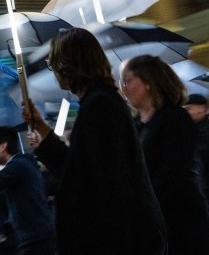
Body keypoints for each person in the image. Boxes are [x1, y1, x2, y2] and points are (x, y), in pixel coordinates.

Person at [23, 28, 167, 255]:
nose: (54, 71)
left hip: (117, 237)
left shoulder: (100, 105)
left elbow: (90, 177)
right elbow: (80, 166)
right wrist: (41, 127)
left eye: (54, 63)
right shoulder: (100, 101)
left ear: (69, 64)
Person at [121, 56, 209, 254]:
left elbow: (172, 173)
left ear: (148, 82)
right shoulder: (136, 126)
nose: (124, 88)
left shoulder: (175, 118)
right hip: (156, 221)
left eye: (128, 80)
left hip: (180, 220)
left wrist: (142, 204)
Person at [0, 126, 56, 255]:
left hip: (35, 240)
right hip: (37, 237)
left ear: (3, 146)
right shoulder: (22, 165)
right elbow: (23, 206)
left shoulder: (18, 165)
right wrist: (2, 230)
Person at [186, 93, 209, 199]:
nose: (186, 112)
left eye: (189, 108)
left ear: (202, 109)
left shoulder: (204, 131)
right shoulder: (190, 129)